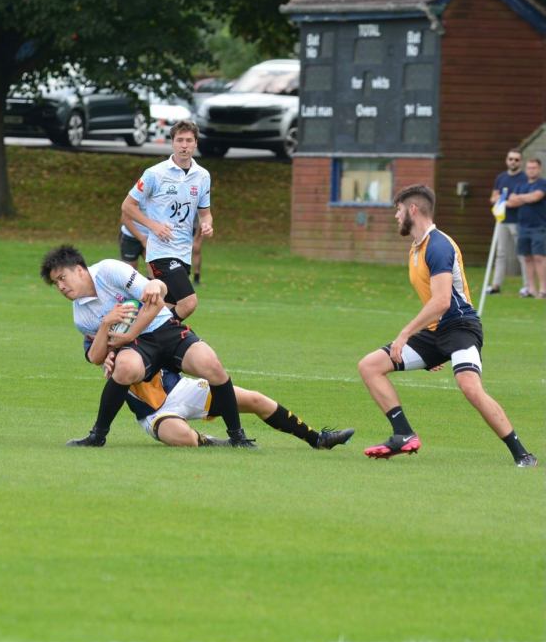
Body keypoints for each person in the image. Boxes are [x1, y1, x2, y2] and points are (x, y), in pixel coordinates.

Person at [357, 184, 537, 467]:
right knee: (370, 366)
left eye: (399, 210)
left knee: (469, 386)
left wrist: (405, 334)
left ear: (413, 210)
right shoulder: (416, 249)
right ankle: (403, 434)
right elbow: (434, 305)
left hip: (461, 327)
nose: (396, 216)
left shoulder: (438, 246)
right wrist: (432, 350)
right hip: (436, 332)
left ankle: (523, 454)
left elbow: (442, 301)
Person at [40, 244, 254, 448]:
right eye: (55, 283)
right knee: (125, 368)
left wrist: (129, 334)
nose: (61, 287)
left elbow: (157, 301)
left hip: (163, 328)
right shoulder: (80, 316)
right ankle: (97, 436)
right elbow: (96, 356)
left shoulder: (109, 270)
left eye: (62, 278)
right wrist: (107, 327)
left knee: (211, 364)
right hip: (138, 347)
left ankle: (237, 436)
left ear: (79, 270)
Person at [104, 353, 354, 448]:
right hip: (152, 412)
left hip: (182, 389)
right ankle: (212, 441)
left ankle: (318, 439)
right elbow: (94, 353)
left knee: (255, 400)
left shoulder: (156, 325)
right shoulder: (106, 331)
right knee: (183, 438)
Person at [121, 119, 211, 322]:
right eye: (180, 140)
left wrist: (207, 224)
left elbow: (205, 213)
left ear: (196, 143)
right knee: (188, 303)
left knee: (163, 310)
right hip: (160, 252)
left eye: (189, 140)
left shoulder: (203, 176)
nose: (184, 145)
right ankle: (158, 334)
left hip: (183, 253)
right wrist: (154, 226)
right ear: (172, 143)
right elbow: (127, 206)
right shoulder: (154, 174)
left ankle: (135, 331)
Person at [487, 148, 531, 296]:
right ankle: (496, 285)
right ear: (507, 160)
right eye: (511, 159)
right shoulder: (501, 177)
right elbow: (493, 197)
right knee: (500, 253)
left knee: (522, 254)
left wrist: (504, 201)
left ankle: (527, 286)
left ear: (521, 162)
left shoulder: (524, 178)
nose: (513, 162)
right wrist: (504, 201)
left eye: (516, 160)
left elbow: (519, 200)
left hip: (518, 221)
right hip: (501, 220)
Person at [506, 157, 546, 299]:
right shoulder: (520, 185)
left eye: (534, 168)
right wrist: (525, 198)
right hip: (522, 226)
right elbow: (511, 202)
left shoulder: (542, 183)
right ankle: (531, 289)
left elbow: (536, 197)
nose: (531, 170)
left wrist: (520, 198)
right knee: (527, 258)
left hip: (539, 227)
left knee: (539, 257)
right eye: (529, 168)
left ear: (539, 169)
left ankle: (543, 289)